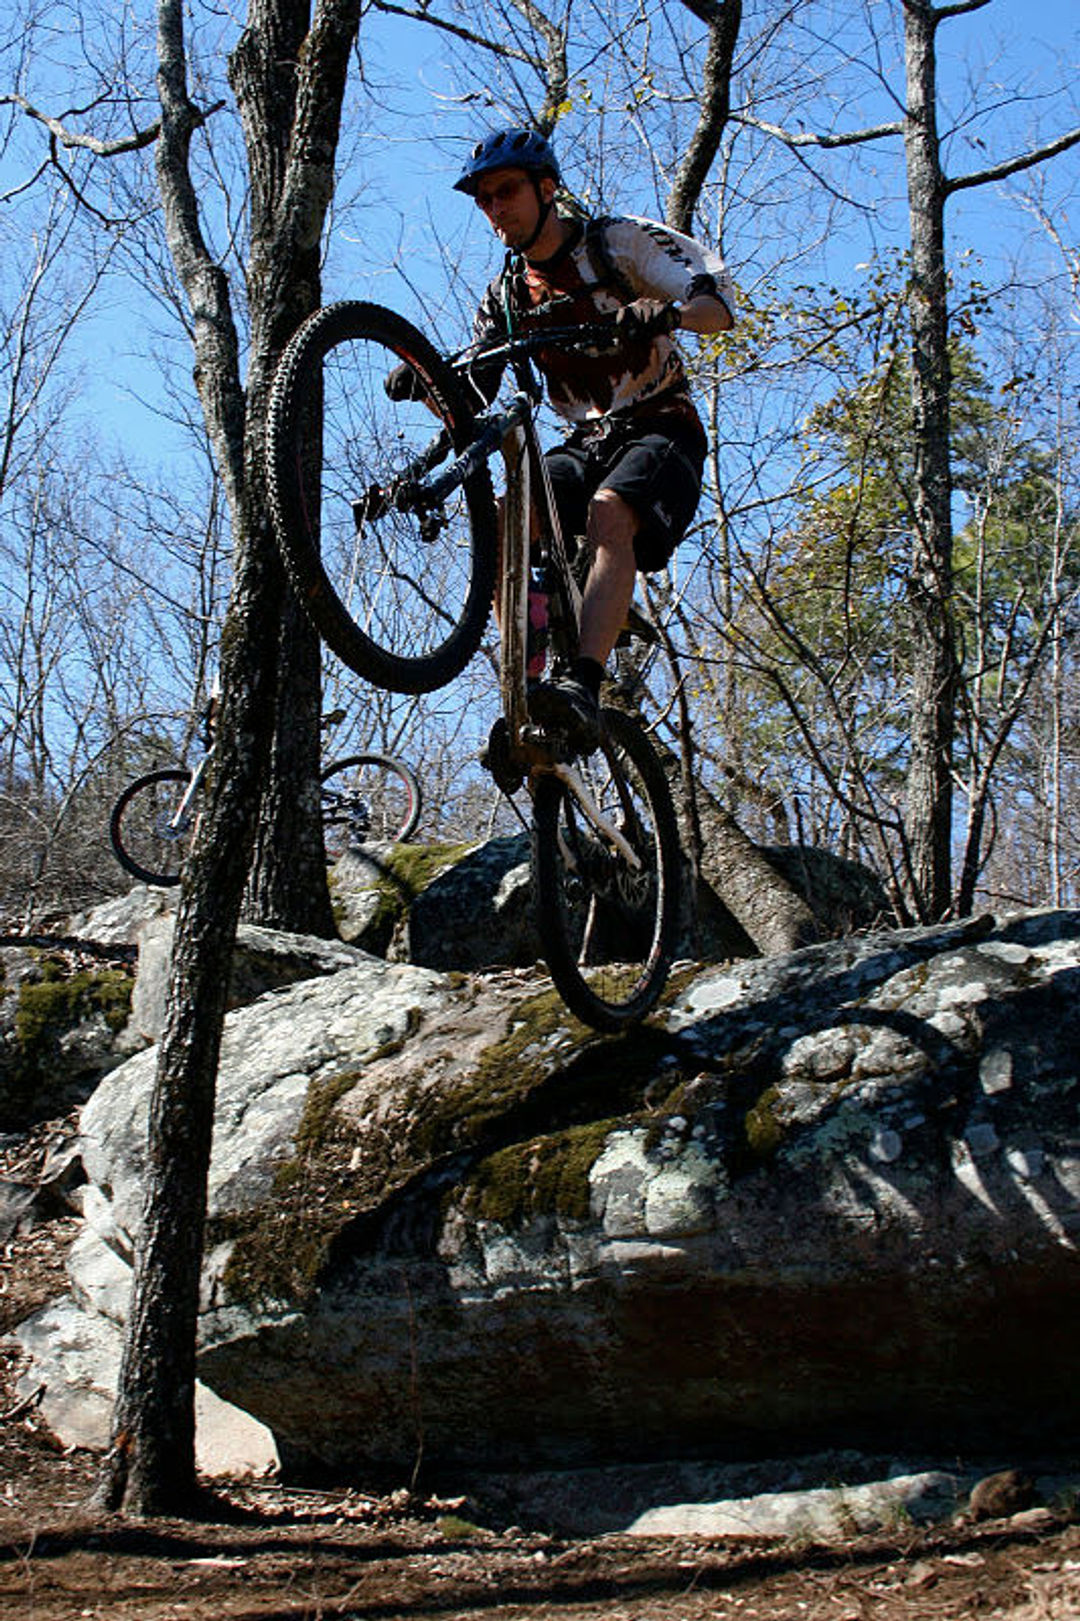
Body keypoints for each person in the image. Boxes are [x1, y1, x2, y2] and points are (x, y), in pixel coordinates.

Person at [454, 126, 734, 749]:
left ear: (546, 188)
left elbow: (719, 309)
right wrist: (424, 376)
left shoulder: (615, 245)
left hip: (663, 426)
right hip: (586, 439)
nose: (497, 209)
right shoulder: (505, 296)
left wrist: (665, 312)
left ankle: (584, 681)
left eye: (507, 192)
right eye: (485, 200)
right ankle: (523, 690)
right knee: (509, 518)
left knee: (612, 513)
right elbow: (475, 385)